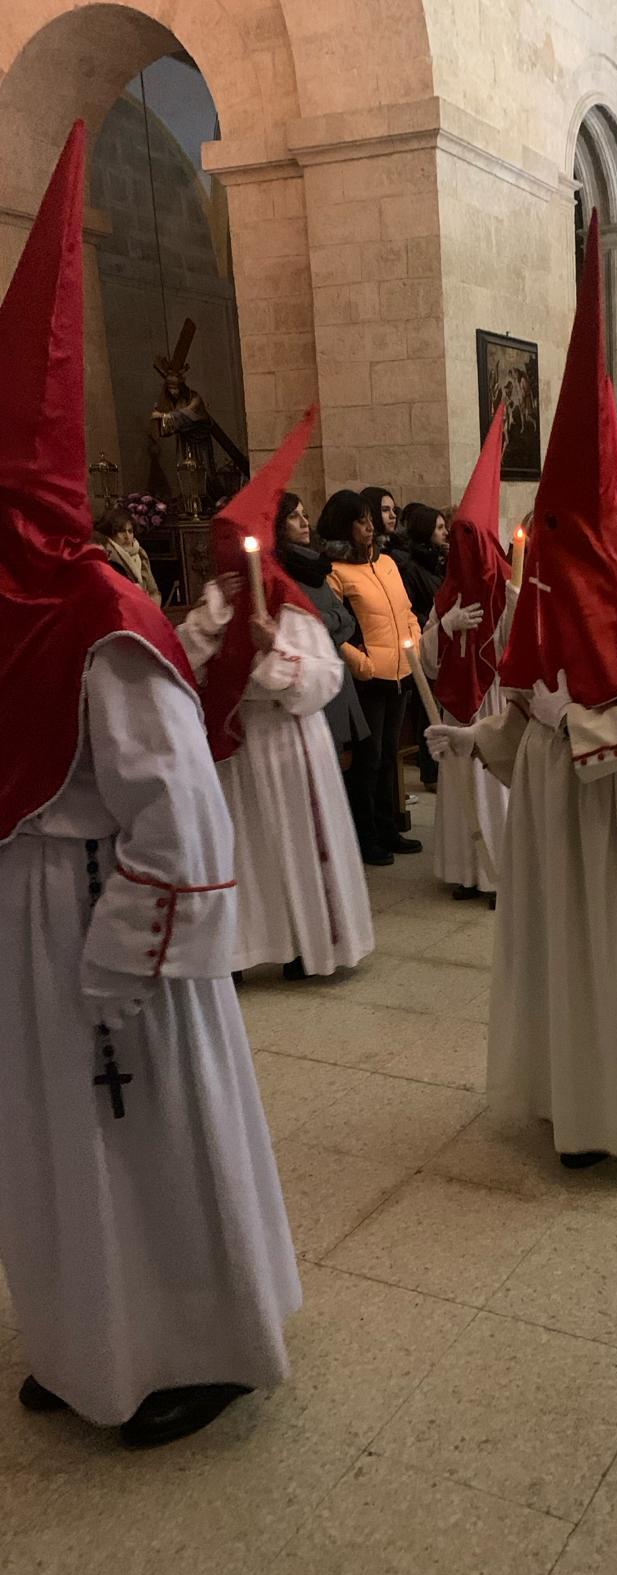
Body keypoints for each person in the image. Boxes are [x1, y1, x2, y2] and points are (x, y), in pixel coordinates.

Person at [0, 122, 299, 1448]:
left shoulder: (96, 610)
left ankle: (200, 1343)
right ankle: (83, 1339)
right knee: (53, 1148)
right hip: (24, 927)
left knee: (143, 1134)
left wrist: (126, 958)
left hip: (101, 926)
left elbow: (176, 806)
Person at [427, 213, 617, 1169]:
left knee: (610, 955)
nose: (541, 532)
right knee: (554, 948)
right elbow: (513, 692)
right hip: (549, 801)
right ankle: (558, 1098)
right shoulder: (538, 583)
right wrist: (483, 738)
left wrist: (572, 723)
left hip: (606, 806)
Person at [178, 424, 374, 982]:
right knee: (247, 854)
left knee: (293, 850)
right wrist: (212, 629)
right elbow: (182, 669)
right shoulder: (213, 604)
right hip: (236, 748)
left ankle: (306, 947)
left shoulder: (287, 605)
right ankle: (239, 949)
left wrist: (268, 655)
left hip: (289, 742)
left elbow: (323, 678)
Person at [421, 406, 514, 904]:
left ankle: (499, 872)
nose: (463, 547)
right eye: (457, 538)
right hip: (460, 702)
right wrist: (446, 628)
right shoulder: (446, 593)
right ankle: (464, 869)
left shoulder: (508, 590)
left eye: (470, 538)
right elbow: (424, 657)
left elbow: (520, 646)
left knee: (494, 785)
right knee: (462, 786)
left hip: (495, 700)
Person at [322, 489, 423, 864]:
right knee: (368, 759)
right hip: (368, 676)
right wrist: (359, 662)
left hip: (400, 669)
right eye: (362, 521)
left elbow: (406, 609)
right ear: (344, 526)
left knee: (387, 755)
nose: (370, 526)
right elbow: (334, 627)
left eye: (371, 520)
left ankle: (387, 826)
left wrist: (415, 640)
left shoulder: (387, 563)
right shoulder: (334, 571)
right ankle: (365, 835)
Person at [275, 491, 368, 756]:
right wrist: (324, 623)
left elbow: (347, 620)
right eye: (294, 516)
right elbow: (296, 626)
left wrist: (321, 622)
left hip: (332, 667)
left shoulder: (314, 566)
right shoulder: (281, 572)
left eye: (305, 515)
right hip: (309, 677)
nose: (305, 522)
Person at [399, 502, 449, 788]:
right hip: (425, 640)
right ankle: (431, 771)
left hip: (442, 638)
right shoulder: (411, 567)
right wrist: (435, 620)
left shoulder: (438, 562)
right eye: (439, 528)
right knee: (428, 710)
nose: (444, 533)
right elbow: (412, 606)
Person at [95, 506, 161, 602]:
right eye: (121, 531)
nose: (127, 536)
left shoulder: (140, 553)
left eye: (130, 531)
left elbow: (153, 591)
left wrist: (152, 604)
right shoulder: (107, 556)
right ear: (110, 533)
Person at [362, 485, 401, 562]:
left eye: (393, 510)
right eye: (385, 510)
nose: (393, 515)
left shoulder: (399, 547)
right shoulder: (366, 553)